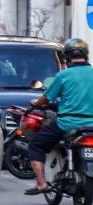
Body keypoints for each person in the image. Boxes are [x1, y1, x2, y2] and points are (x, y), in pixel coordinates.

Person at [24, 37, 93, 195]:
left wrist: (35, 103)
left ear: (66, 57)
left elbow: (46, 99)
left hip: (68, 123)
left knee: (36, 145)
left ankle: (41, 184)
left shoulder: (63, 76)